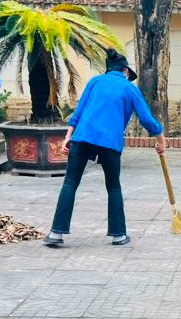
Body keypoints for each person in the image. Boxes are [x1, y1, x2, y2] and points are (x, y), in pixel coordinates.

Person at [44, 48, 167, 248]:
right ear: (126, 71)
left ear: (107, 69)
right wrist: (161, 140)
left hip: (82, 137)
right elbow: (146, 119)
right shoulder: (130, 88)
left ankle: (55, 233)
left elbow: (79, 111)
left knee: (70, 183)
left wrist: (68, 137)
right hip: (110, 143)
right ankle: (118, 235)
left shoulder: (94, 82)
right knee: (113, 186)